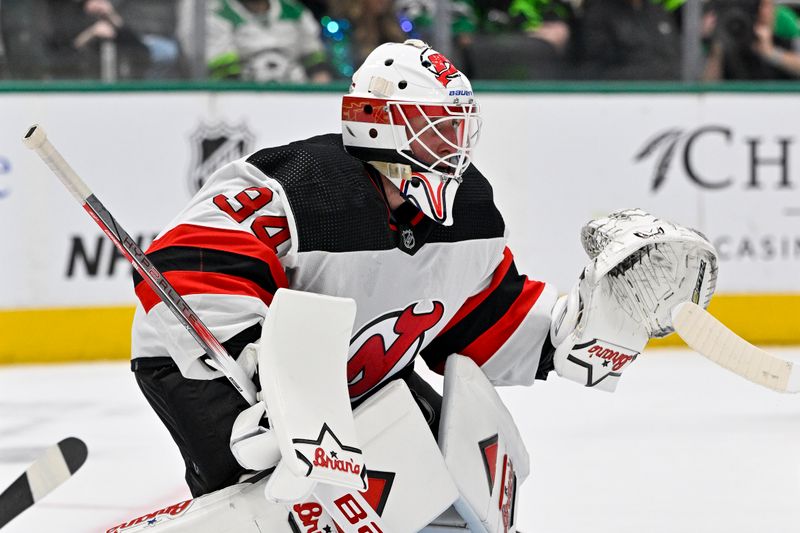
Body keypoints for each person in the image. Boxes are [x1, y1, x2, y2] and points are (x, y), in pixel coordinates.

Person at [130, 39, 718, 515]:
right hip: (210, 374)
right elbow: (190, 264)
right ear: (381, 127)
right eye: (437, 130)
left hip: (356, 381)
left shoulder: (470, 214)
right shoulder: (304, 184)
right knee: (285, 497)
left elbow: (488, 313)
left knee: (449, 489)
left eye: (458, 130)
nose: (454, 147)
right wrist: (270, 392)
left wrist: (578, 330)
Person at [187, 0, 332, 83]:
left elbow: (316, 63)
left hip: (297, 91)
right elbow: (225, 73)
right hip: (245, 97)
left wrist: (317, 96)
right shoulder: (219, 14)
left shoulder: (295, 11)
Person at [703, 0, 800, 80]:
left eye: (764, 6)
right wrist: (717, 49)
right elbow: (705, 89)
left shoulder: (784, 26)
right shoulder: (724, 34)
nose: (761, 12)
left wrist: (771, 53)